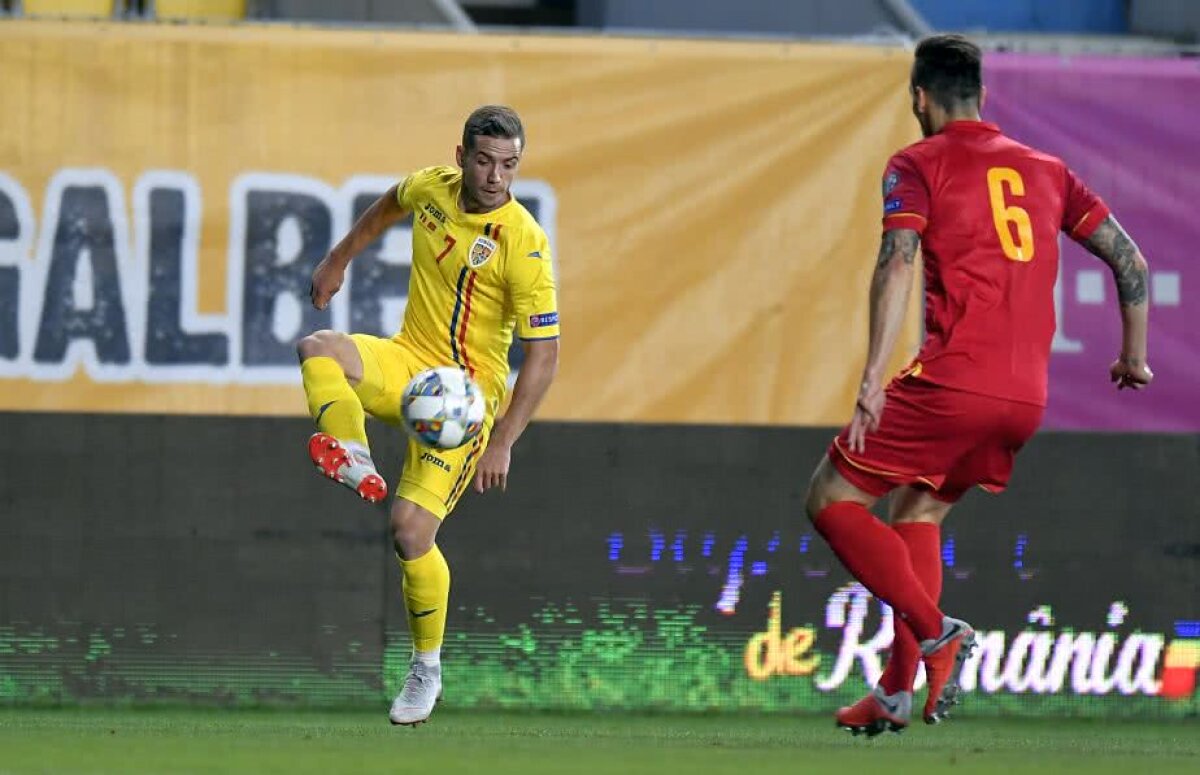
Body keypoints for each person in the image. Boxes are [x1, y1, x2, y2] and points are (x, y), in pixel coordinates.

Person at [803, 34, 1152, 737]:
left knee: (830, 500)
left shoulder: (916, 163)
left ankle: (938, 633)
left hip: (953, 383)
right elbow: (1130, 261)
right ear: (983, 97)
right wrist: (1132, 357)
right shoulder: (1049, 170)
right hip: (1024, 399)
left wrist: (873, 375)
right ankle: (897, 690)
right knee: (917, 512)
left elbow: (897, 262)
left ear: (919, 99)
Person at [297, 105, 560, 726]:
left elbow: (544, 355)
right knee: (318, 348)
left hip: (466, 400)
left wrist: (503, 440)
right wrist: (339, 259)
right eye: (485, 160)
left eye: (510, 164)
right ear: (462, 155)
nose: (496, 176)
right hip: (410, 362)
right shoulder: (433, 187)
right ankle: (353, 455)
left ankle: (426, 665)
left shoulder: (523, 243)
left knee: (411, 532)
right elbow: (388, 205)